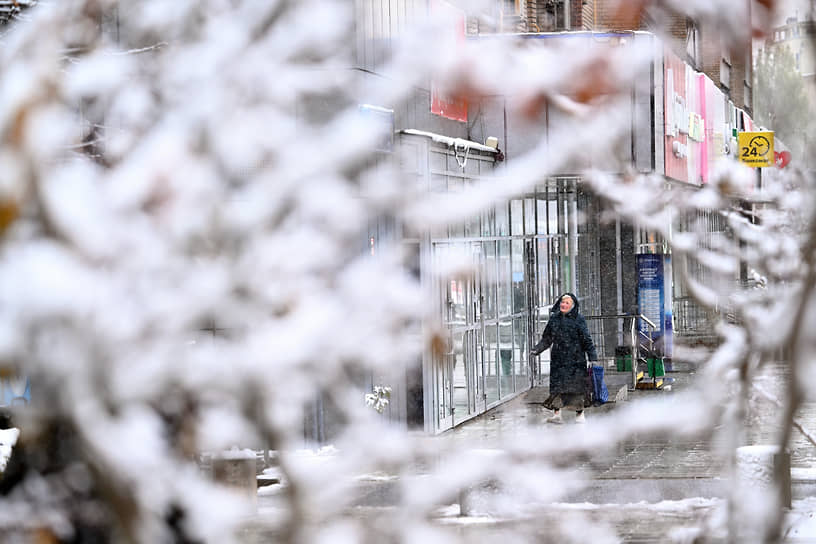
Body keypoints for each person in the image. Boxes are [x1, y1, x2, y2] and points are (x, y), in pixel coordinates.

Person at [531, 292, 597, 424]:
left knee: (577, 388)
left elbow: (586, 339)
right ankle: (557, 414)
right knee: (557, 387)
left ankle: (580, 414)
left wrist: (592, 356)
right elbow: (547, 338)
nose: (563, 305)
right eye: (562, 302)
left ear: (572, 306)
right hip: (559, 359)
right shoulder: (554, 319)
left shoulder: (579, 319)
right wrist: (537, 349)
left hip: (576, 359)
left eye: (567, 303)